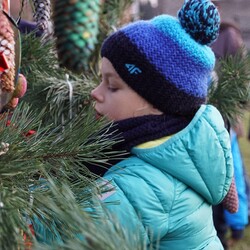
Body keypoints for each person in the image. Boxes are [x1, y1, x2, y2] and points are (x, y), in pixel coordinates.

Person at [34, 0, 234, 248]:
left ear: (157, 104)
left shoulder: (147, 184)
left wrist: (26, 185)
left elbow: (58, 235)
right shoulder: (161, 155)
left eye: (113, 85)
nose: (95, 93)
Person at [211, 1, 249, 249]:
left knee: (230, 174)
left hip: (222, 122)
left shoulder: (228, 35)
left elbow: (240, 82)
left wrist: (233, 115)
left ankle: (234, 225)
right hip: (189, 121)